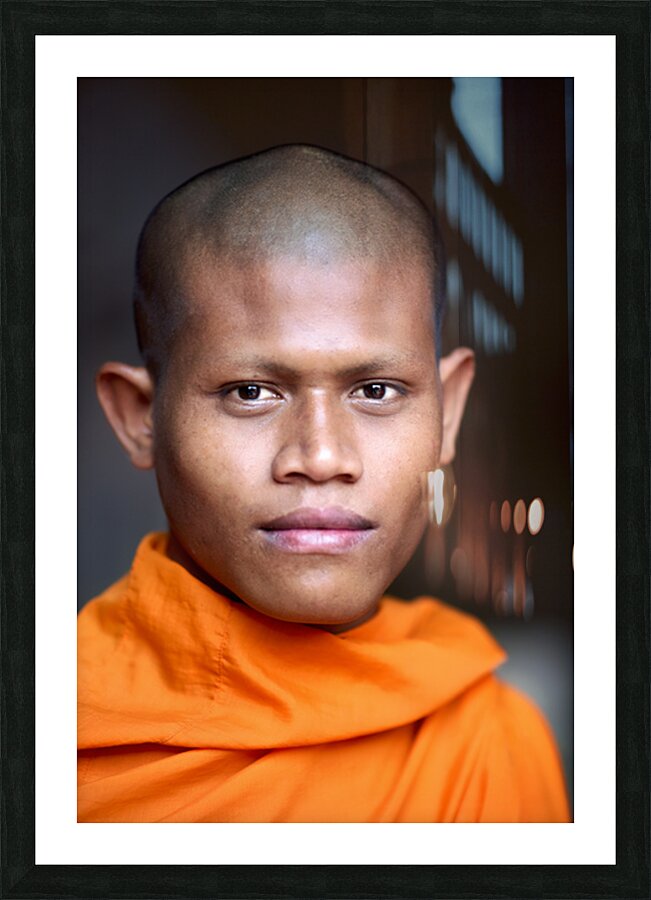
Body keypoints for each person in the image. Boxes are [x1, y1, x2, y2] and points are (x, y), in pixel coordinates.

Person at [78, 144, 570, 823]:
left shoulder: (485, 735)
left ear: (447, 411)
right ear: (140, 419)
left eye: (375, 390)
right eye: (250, 392)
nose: (320, 455)